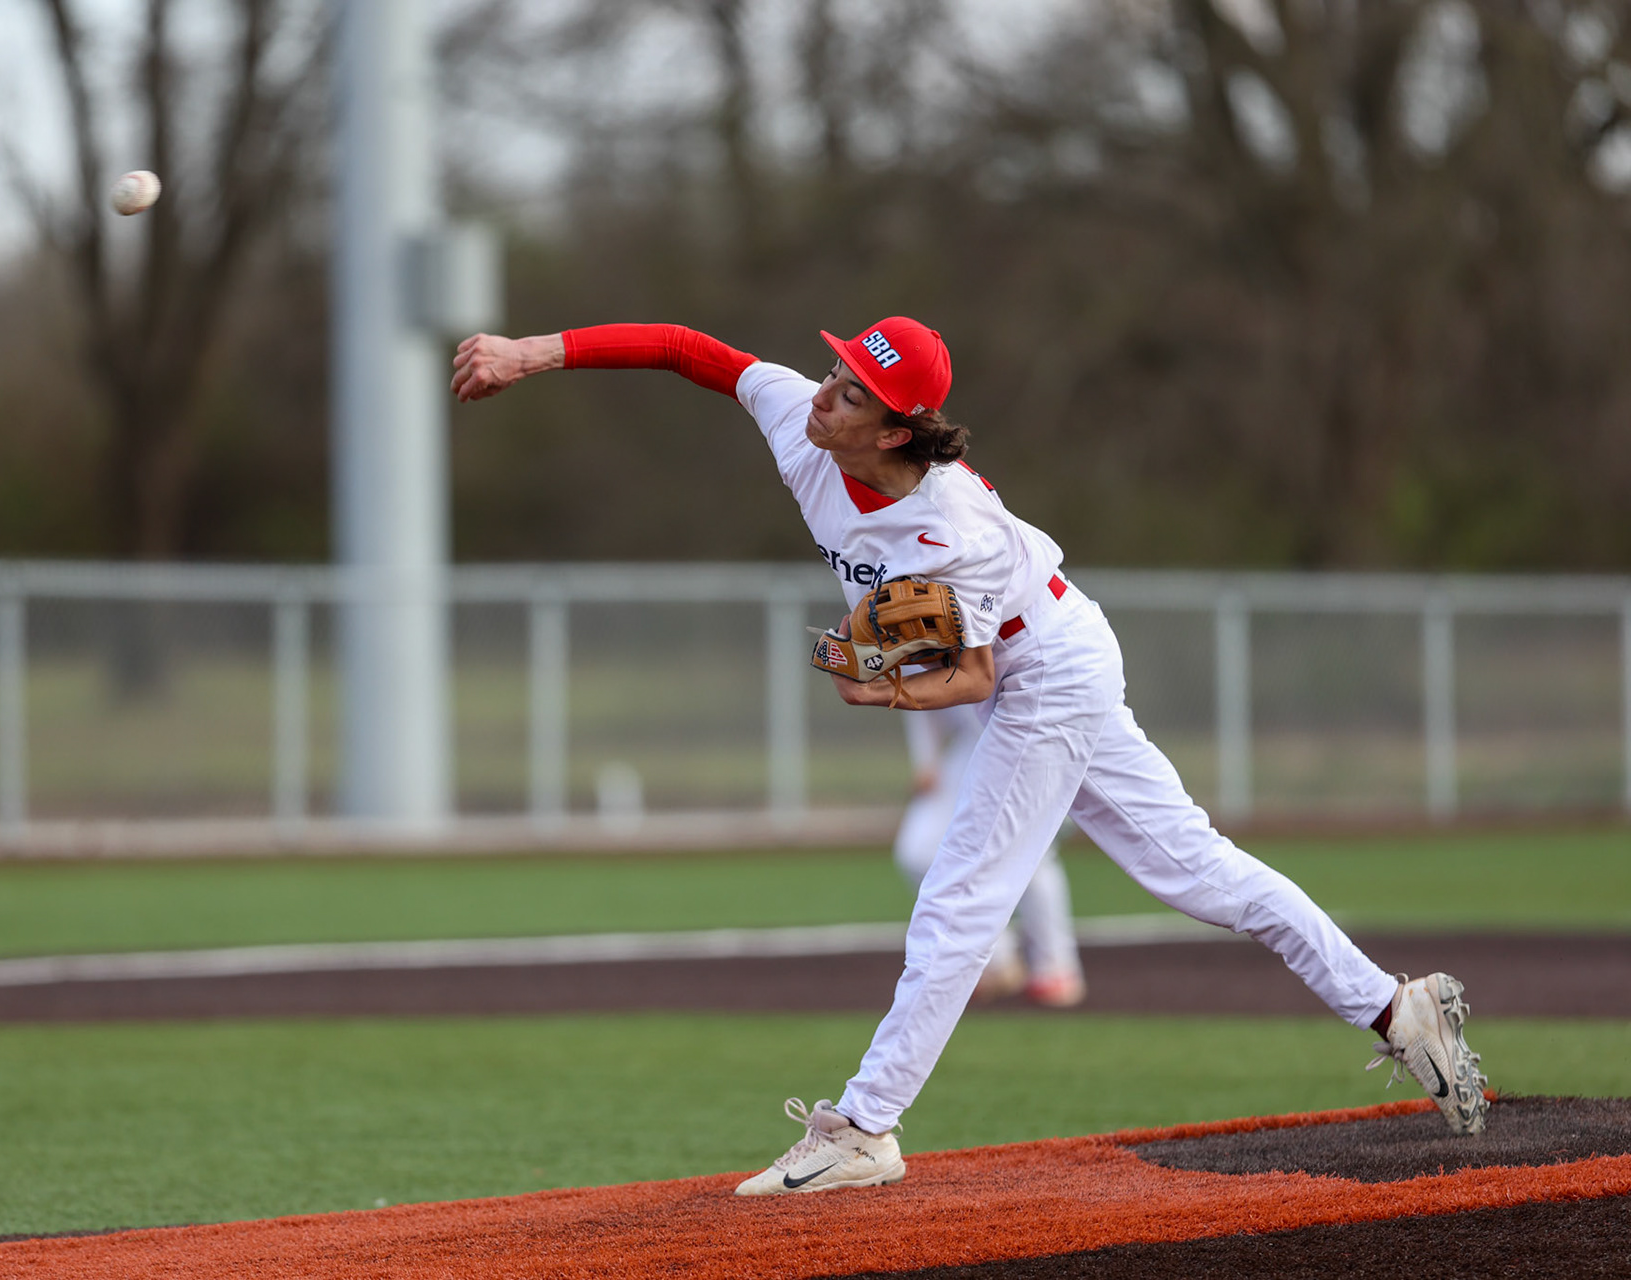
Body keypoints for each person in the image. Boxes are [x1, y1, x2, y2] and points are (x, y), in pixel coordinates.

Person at [449, 317, 1489, 1198]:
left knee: (963, 892)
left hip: (1046, 666)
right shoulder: (801, 420)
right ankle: (1398, 1007)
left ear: (897, 427)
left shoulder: (948, 528)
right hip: (1050, 650)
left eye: (854, 392)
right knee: (1195, 866)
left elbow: (980, 676)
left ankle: (864, 1126)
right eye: (836, 370)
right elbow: (685, 349)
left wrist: (880, 686)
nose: (826, 394)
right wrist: (531, 353)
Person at [898, 704, 1085, 1009]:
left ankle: (1056, 966)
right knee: (917, 851)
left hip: (1028, 740)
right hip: (973, 747)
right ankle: (997, 962)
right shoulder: (908, 655)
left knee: (1031, 855)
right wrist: (926, 760)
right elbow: (914, 692)